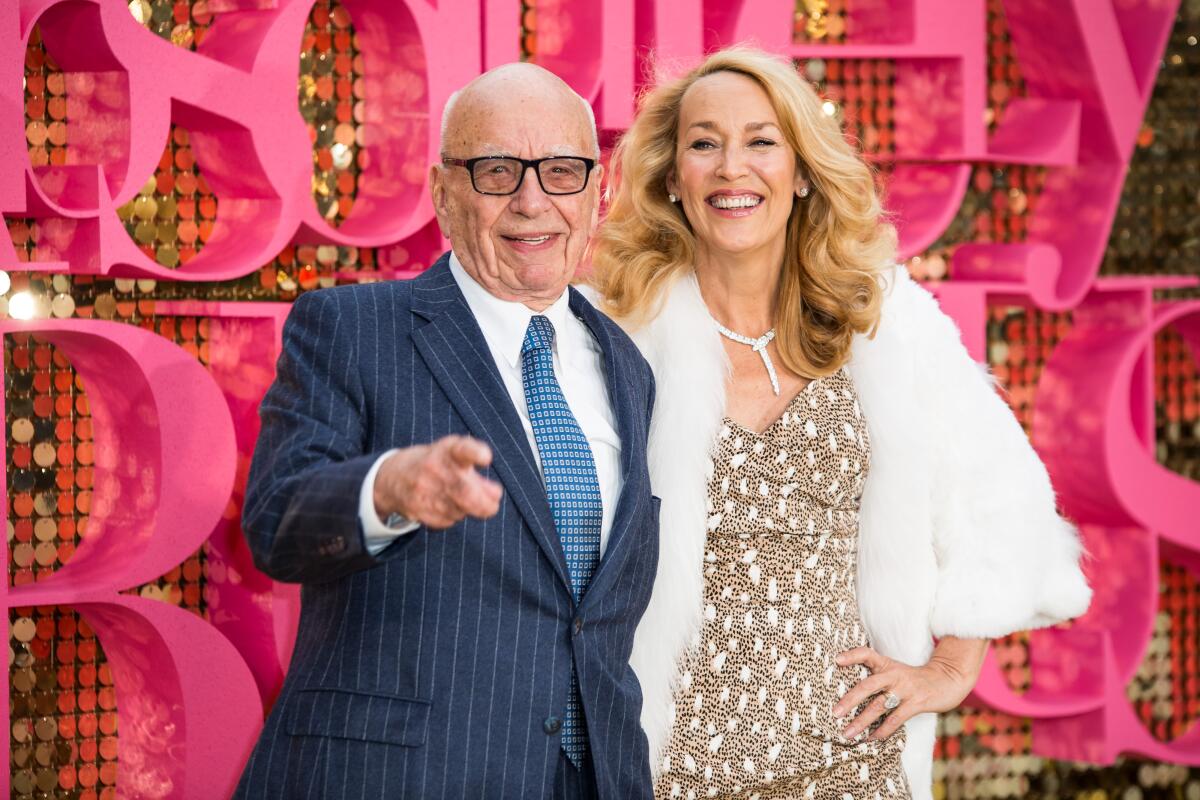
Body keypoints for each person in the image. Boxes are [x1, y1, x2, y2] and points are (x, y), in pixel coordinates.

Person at [588, 47, 1091, 800]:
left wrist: (950, 669)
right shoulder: (615, 335)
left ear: (799, 171)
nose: (732, 167)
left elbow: (1001, 497)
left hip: (855, 768)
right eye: (703, 143)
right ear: (671, 176)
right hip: (671, 772)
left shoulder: (886, 325)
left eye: (761, 141)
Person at [234, 63, 659, 800]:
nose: (532, 201)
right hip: (399, 777)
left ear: (599, 192)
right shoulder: (351, 329)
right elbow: (277, 520)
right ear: (443, 192)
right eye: (497, 171)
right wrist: (387, 489)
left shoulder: (628, 364)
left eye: (561, 171)